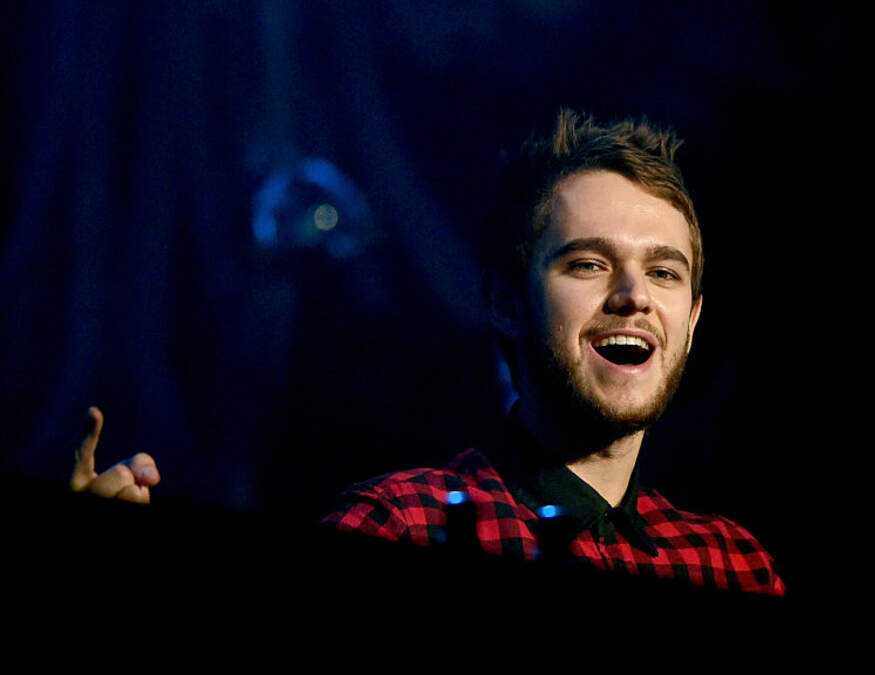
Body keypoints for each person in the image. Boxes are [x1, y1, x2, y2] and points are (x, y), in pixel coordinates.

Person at [70, 109, 785, 597]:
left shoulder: (736, 563)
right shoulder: (403, 523)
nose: (634, 295)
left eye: (664, 272)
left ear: (692, 319)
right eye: (588, 264)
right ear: (506, 302)